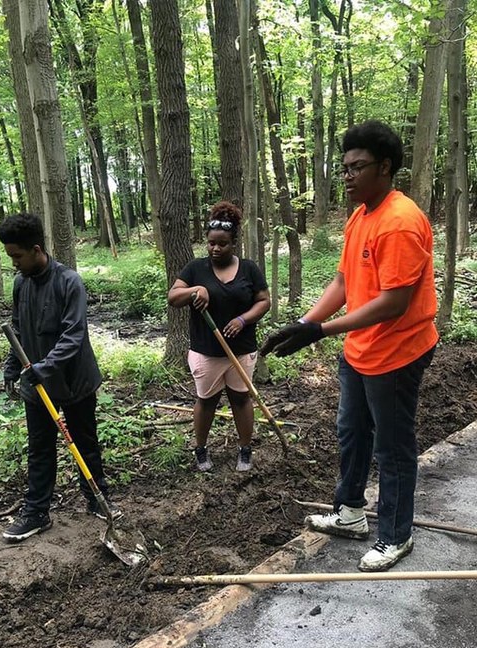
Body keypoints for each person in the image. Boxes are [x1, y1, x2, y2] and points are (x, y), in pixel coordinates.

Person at [261, 120, 438, 572]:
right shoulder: (361, 215)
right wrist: (305, 322)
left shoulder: (399, 222)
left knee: (393, 446)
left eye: (356, 167)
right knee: (352, 431)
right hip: (361, 348)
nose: (347, 176)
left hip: (397, 351)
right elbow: (344, 280)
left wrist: (322, 332)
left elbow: (393, 304)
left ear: (385, 167)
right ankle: (351, 512)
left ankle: (396, 535)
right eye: (343, 167)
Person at [0, 213, 112, 541]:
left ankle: (97, 499)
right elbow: (17, 329)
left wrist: (43, 368)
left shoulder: (69, 282)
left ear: (36, 249)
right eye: (10, 257)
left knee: (85, 443)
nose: (14, 264)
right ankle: (36, 512)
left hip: (75, 381)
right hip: (36, 385)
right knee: (40, 448)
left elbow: (73, 336)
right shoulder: (21, 283)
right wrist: (12, 367)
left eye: (17, 256)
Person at [168, 201, 271, 472]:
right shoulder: (195, 269)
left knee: (241, 399)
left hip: (241, 349)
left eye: (222, 244)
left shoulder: (249, 269)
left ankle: (245, 449)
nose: (215, 248)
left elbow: (263, 301)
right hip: (206, 350)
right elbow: (173, 297)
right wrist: (195, 290)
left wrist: (242, 319)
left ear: (233, 243)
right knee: (207, 400)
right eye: (211, 243)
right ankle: (200, 449)